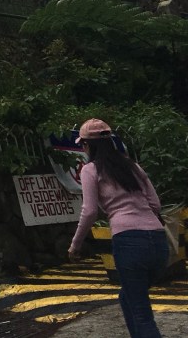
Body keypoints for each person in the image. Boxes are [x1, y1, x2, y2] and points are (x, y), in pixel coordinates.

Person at [68, 118, 166, 338]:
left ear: (87, 145)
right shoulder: (133, 166)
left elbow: (90, 211)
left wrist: (75, 245)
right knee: (127, 297)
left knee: (142, 315)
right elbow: (155, 205)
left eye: (82, 145)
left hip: (129, 243)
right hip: (159, 243)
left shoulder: (90, 170)